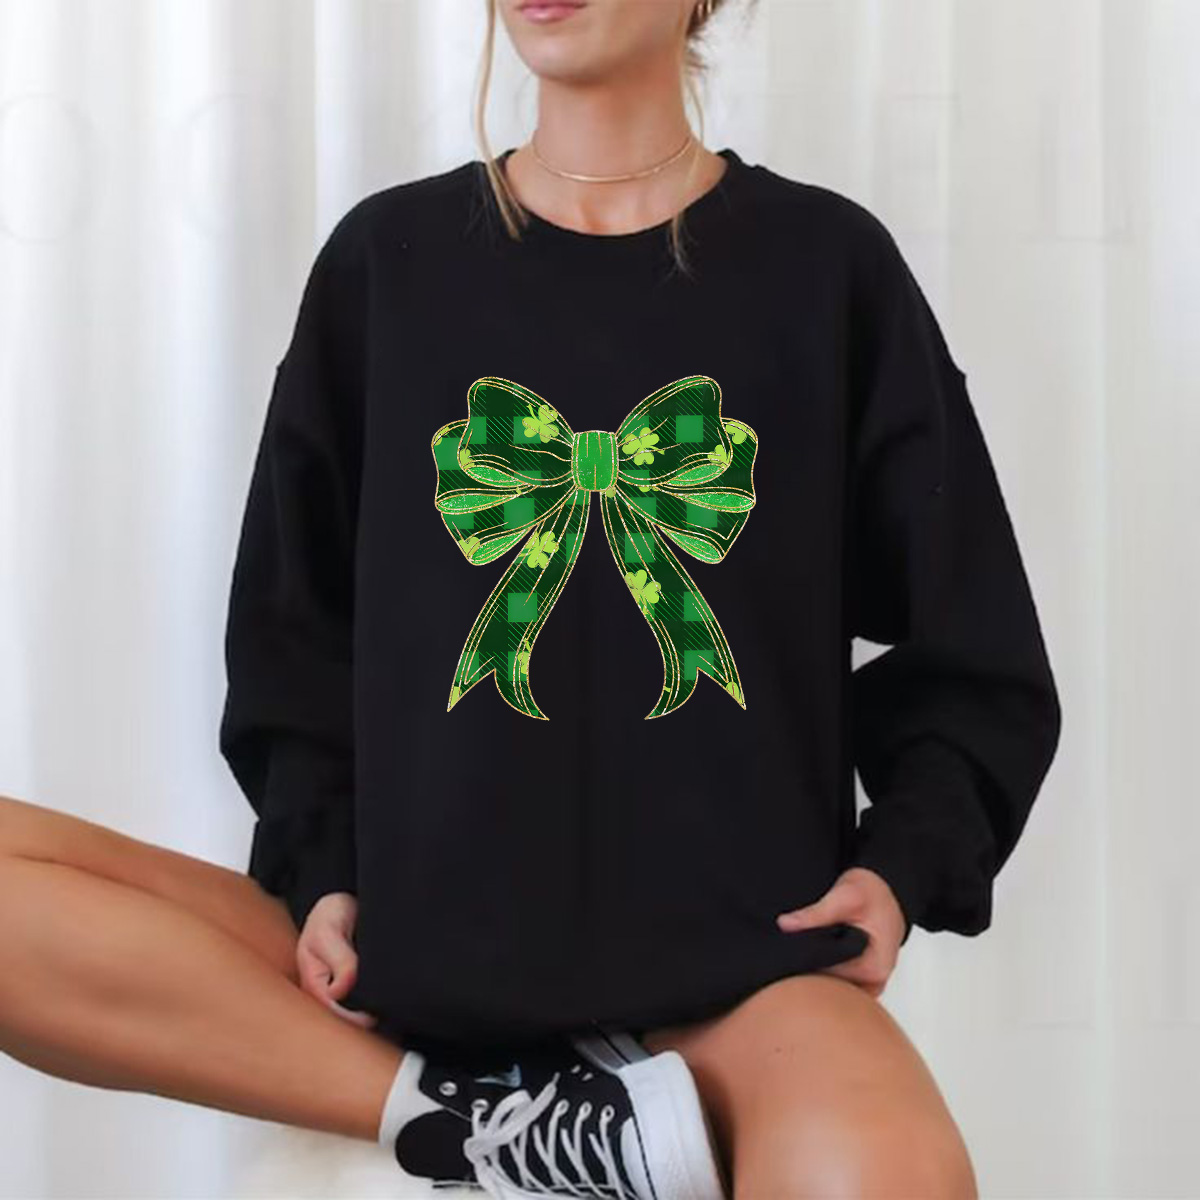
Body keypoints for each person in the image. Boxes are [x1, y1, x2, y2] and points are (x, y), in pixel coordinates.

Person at [0, 1, 1062, 1196]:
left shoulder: (828, 268)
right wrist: (327, 868)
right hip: (414, 968)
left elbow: (975, 651)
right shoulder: (383, 265)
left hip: (737, 980)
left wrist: (904, 867)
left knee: (891, 1172)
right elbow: (293, 642)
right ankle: (479, 1121)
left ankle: (566, 1112)